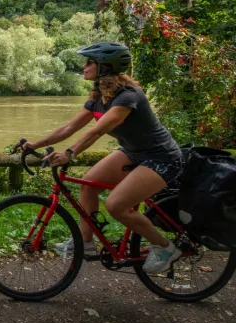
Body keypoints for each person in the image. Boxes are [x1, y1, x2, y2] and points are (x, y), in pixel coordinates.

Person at [23, 42, 185, 274]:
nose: (84, 66)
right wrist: (36, 144)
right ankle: (86, 244)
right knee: (88, 187)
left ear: (105, 67)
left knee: (116, 205)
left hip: (163, 158)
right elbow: (70, 126)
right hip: (133, 153)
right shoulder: (99, 96)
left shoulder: (128, 96)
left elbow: (96, 131)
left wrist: (70, 153)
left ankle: (165, 248)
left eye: (89, 62)